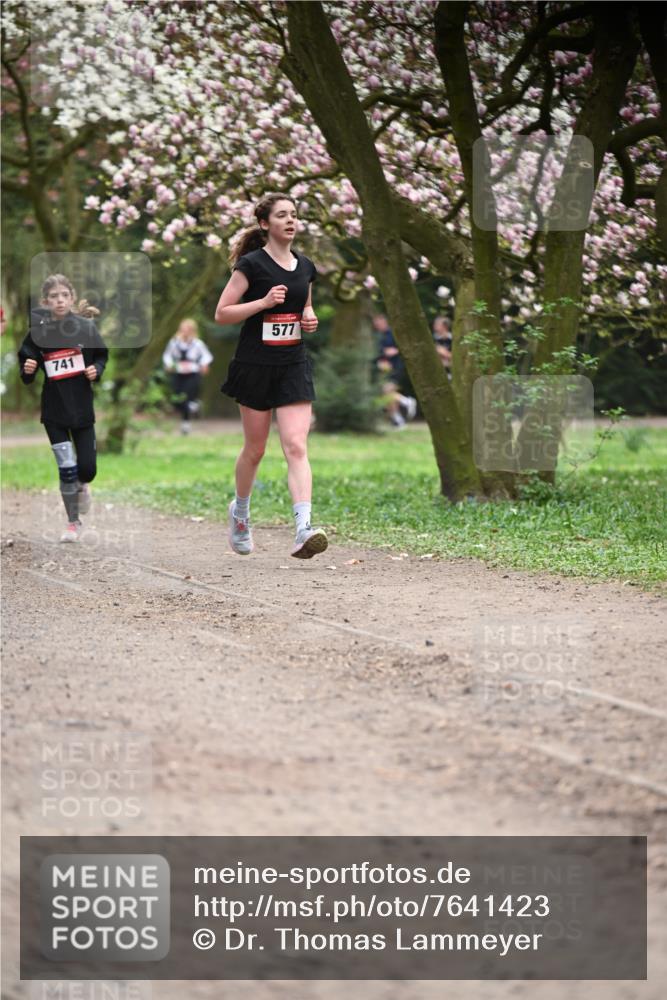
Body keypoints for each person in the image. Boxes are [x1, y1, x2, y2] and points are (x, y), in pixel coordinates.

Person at [214, 192, 328, 559]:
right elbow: (223, 313)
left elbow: (304, 309)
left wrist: (308, 318)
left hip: (293, 364)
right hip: (255, 366)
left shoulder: (306, 266)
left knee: (296, 445)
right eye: (282, 215)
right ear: (266, 224)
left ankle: (303, 529)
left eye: (294, 215)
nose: (291, 221)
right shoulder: (251, 265)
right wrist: (262, 304)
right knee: (256, 449)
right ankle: (241, 514)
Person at [18, 274, 108, 542]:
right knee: (66, 467)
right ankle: (73, 522)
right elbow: (26, 365)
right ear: (46, 302)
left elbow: (102, 354)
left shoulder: (86, 328)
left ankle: (83, 487)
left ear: (71, 297)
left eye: (64, 295)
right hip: (54, 411)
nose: (59, 301)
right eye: (53, 297)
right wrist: (29, 368)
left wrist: (97, 370)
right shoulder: (39, 331)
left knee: (87, 470)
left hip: (82, 409)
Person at [162, 318, 213, 434]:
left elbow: (206, 356)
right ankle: (194, 405)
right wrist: (169, 365)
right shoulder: (174, 342)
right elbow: (167, 356)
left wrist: (204, 365)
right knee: (177, 397)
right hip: (178, 373)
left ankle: (186, 424)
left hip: (192, 373)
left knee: (186, 397)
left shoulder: (197, 343)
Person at [373, 314, 417, 428]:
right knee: (387, 394)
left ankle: (406, 402)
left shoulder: (393, 334)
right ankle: (398, 420)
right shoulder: (379, 336)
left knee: (387, 391)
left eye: (379, 322)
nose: (377, 325)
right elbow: (380, 353)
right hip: (385, 369)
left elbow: (404, 347)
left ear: (385, 321)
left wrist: (396, 351)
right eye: (375, 323)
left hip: (396, 368)